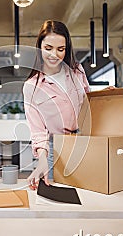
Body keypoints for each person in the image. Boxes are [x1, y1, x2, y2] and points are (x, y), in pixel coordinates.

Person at [23, 20, 91, 190]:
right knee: (58, 203)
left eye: (60, 49)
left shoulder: (77, 71)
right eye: (48, 48)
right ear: (39, 46)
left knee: (90, 197)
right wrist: (42, 161)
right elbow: (38, 132)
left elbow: (89, 103)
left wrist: (106, 97)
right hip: (56, 150)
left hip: (85, 143)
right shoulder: (32, 87)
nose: (54, 54)